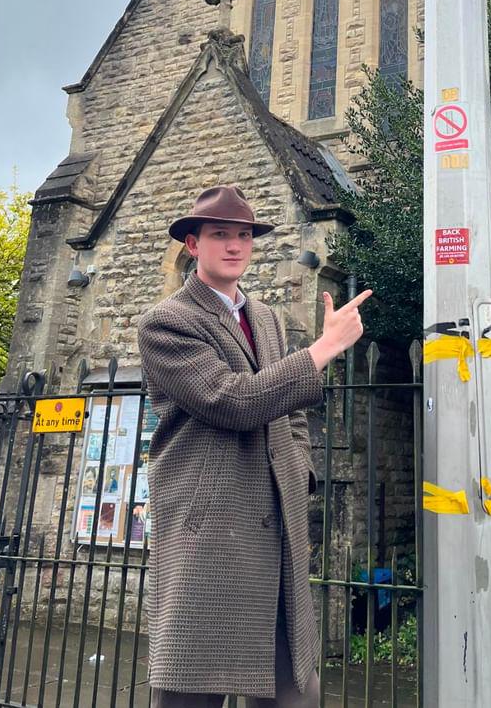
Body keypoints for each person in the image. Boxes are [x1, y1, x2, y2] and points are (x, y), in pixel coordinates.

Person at [138, 185, 371, 708]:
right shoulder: (166, 322)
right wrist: (324, 348)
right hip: (210, 530)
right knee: (190, 690)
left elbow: (289, 412)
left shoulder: (264, 317)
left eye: (244, 235)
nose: (235, 246)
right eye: (220, 234)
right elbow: (233, 400)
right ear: (192, 245)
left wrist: (298, 475)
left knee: (294, 690)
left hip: (276, 524)